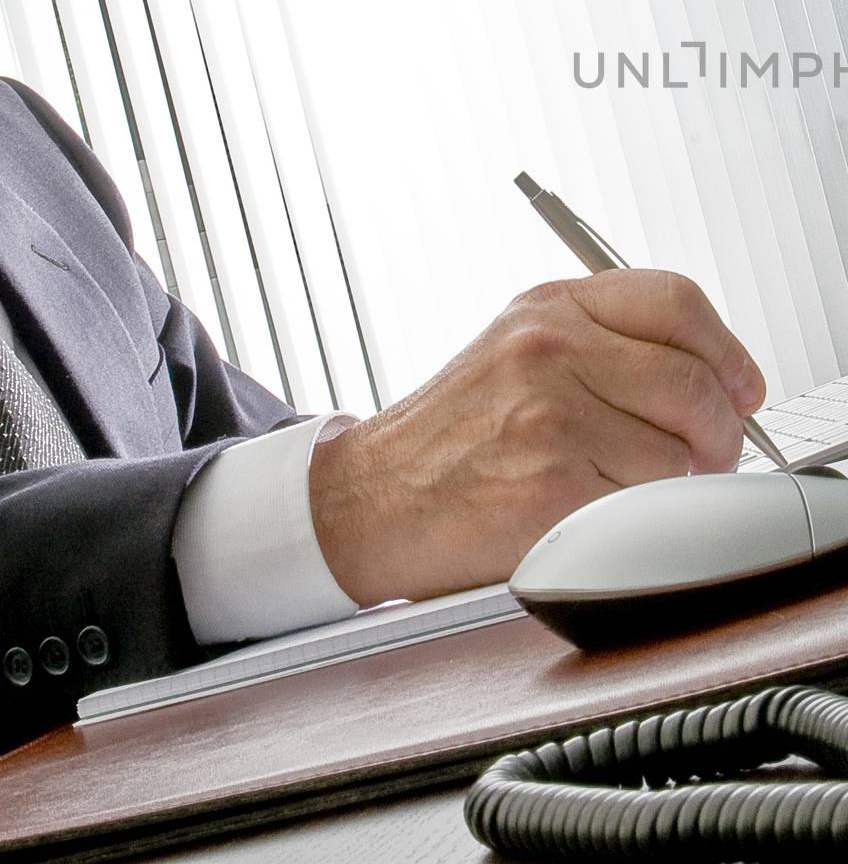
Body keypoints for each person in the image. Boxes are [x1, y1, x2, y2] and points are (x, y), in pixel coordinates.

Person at [0, 77, 765, 751]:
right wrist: (363, 497)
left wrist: (466, 495)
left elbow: (233, 446)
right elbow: (346, 498)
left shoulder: (20, 141)